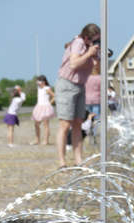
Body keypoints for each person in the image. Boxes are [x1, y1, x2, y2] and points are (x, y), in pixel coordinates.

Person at [55, 23, 100, 169]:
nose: (96, 43)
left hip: (80, 86)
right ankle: (62, 162)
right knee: (65, 124)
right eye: (94, 40)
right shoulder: (78, 43)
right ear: (87, 38)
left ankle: (78, 160)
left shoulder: (89, 47)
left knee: (78, 123)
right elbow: (74, 64)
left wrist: (97, 55)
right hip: (67, 85)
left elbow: (95, 65)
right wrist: (88, 53)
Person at [30, 75, 55, 145]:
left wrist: (49, 103)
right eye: (37, 80)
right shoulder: (39, 88)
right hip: (38, 107)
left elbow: (54, 96)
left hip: (45, 107)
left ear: (43, 81)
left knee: (45, 125)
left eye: (39, 80)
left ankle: (46, 141)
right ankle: (37, 140)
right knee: (36, 124)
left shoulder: (47, 88)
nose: (37, 82)